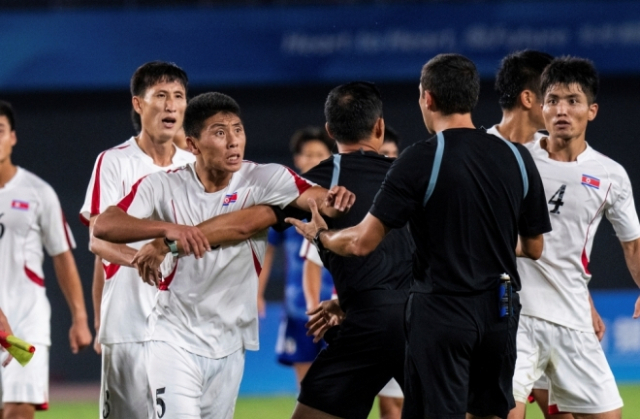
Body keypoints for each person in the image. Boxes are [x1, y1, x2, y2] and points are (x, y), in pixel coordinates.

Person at [287, 54, 552, 419]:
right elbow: (534, 247)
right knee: (490, 412)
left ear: (427, 98)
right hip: (500, 311)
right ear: (473, 97)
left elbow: (363, 242)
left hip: (443, 311)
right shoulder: (518, 157)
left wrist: (322, 237)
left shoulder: (421, 158)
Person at [92, 91, 354, 418]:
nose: (233, 141)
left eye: (238, 130)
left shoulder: (264, 178)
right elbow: (105, 224)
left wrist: (336, 199)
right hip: (174, 339)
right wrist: (167, 230)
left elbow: (318, 199)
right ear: (192, 144)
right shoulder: (161, 185)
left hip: (231, 344)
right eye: (219, 132)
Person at [507, 57, 640, 419]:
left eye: (572, 100)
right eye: (552, 100)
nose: (561, 110)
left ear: (591, 111)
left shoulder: (610, 175)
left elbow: (632, 244)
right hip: (516, 315)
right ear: (539, 105)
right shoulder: (515, 157)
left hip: (573, 319)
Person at [283, 81, 414, 419]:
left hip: (369, 322)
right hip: (425, 321)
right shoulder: (413, 178)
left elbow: (249, 220)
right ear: (380, 127)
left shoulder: (315, 185)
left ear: (329, 131)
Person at [79, 61, 195, 418]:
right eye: (160, 95)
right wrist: (139, 257)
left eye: (178, 96)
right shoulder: (114, 162)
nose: (171, 105)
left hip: (183, 326)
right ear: (138, 104)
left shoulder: (195, 165)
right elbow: (96, 240)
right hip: (128, 321)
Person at [0, 100, 92, 419]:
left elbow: (62, 256)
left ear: (12, 137)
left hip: (25, 326)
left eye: (0, 131)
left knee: (18, 411)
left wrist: (80, 318)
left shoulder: (38, 192)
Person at [258, 127, 335, 384]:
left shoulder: (339, 202)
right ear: (298, 160)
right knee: (306, 387)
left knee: (335, 387)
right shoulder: (285, 203)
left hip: (336, 307)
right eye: (308, 154)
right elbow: (268, 253)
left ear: (331, 157)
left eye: (320, 154)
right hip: (297, 307)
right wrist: (257, 293)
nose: (313, 159)